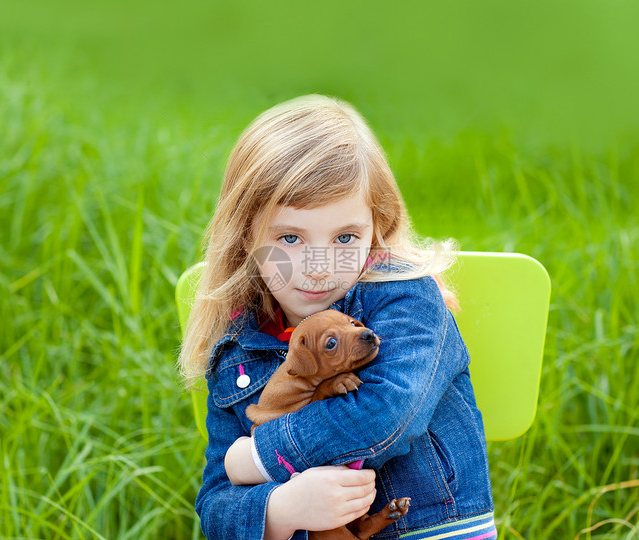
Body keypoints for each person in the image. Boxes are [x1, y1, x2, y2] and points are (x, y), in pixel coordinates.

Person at [177, 94, 495, 540]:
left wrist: (260, 457)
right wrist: (283, 510)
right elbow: (216, 506)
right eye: (290, 237)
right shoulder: (236, 348)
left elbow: (387, 415)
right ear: (245, 235)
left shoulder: (404, 297)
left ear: (376, 224)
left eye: (345, 237)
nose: (319, 266)